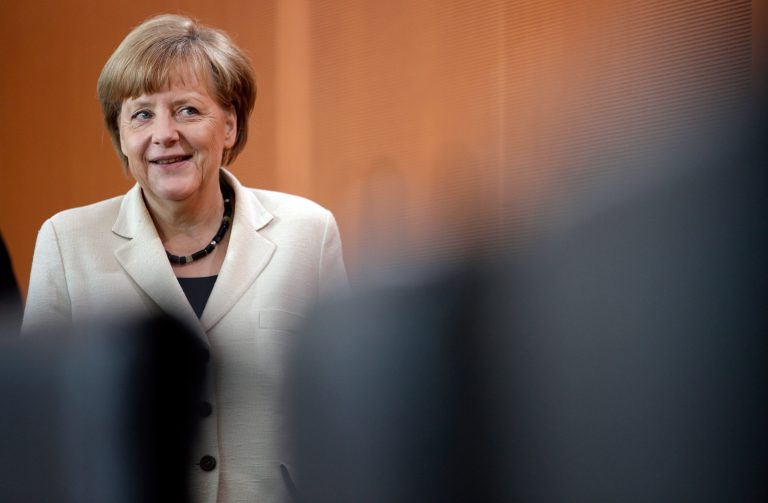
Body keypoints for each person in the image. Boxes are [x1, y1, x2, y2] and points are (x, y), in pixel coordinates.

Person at [22, 14, 347, 503]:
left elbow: (345, 408)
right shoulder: (67, 243)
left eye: (188, 110)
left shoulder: (309, 232)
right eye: (142, 114)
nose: (164, 133)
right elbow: (36, 427)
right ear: (122, 135)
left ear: (231, 125)